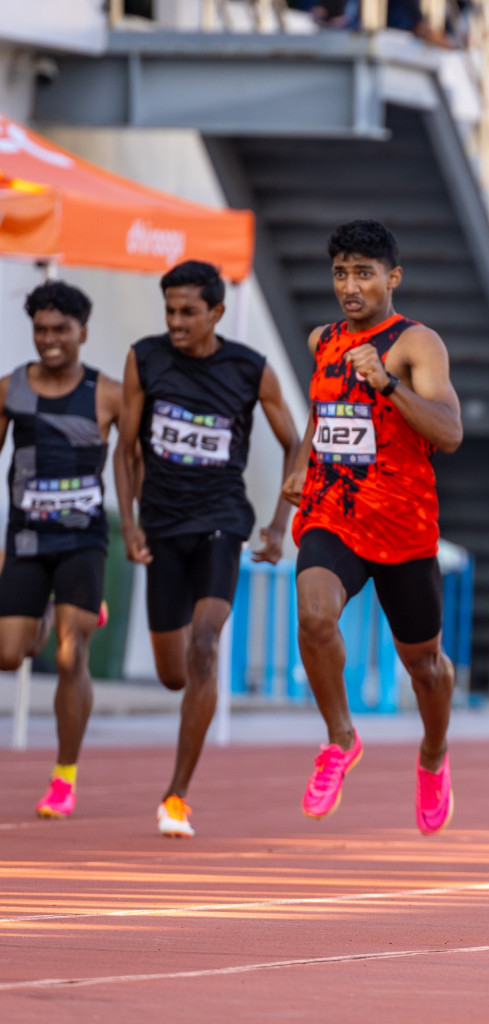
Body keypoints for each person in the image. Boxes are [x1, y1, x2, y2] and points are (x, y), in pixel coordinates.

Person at [281, 219, 463, 835]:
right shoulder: (321, 340)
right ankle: (340, 740)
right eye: (340, 273)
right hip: (333, 510)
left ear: (393, 277)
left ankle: (433, 755)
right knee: (313, 614)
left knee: (426, 668)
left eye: (363, 272)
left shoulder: (417, 344)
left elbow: (449, 431)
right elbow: (323, 413)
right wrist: (301, 469)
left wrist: (386, 382)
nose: (350, 286)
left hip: (403, 523)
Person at [115, 260, 301, 837]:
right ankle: (179, 768)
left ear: (216, 312)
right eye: (169, 310)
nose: (175, 322)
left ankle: (176, 795)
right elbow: (126, 451)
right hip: (163, 524)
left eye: (188, 312)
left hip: (222, 518)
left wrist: (277, 525)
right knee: (174, 675)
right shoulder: (144, 358)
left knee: (204, 646)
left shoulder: (250, 369)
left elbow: (295, 443)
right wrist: (129, 522)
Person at [0, 282, 121, 820]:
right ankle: (49, 610)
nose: (49, 340)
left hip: (82, 540)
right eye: (41, 330)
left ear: (82, 333)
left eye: (60, 330)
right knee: (9, 654)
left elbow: (133, 459)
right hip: (25, 540)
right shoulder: (10, 389)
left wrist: (140, 528)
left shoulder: (108, 394)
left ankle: (64, 778)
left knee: (73, 656)